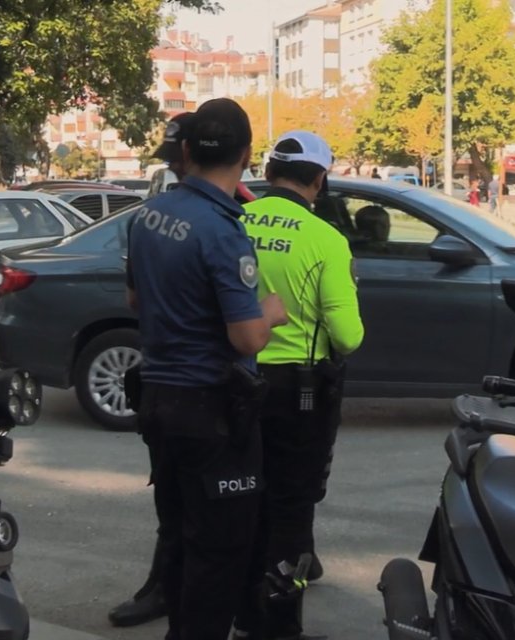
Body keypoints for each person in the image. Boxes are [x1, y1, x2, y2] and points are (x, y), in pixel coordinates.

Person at [125, 97, 287, 640]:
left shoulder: (148, 215)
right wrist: (270, 312)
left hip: (159, 399)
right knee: (220, 551)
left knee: (178, 533)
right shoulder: (221, 230)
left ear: (187, 150)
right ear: (246, 156)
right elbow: (245, 335)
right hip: (212, 410)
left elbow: (134, 300)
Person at [233, 131, 364, 640]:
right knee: (291, 506)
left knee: (246, 499)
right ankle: (278, 625)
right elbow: (349, 338)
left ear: (267, 175)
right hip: (299, 392)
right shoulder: (324, 239)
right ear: (319, 179)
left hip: (234, 380)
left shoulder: (235, 224)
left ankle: (243, 615)